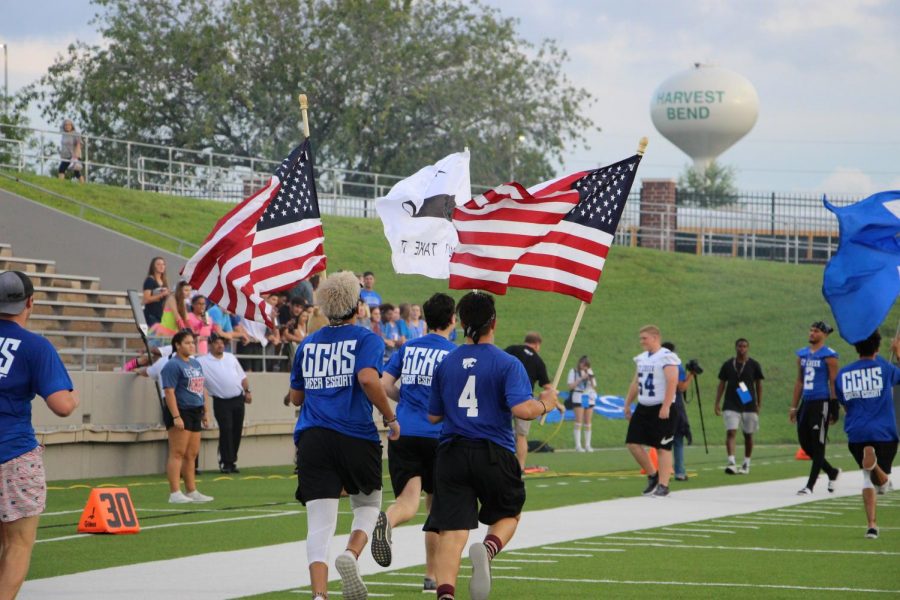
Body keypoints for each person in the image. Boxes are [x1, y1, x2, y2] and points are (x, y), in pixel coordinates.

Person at [425, 292, 557, 600]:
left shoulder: (446, 362)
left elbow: (434, 415)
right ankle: (487, 549)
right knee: (509, 513)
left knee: (453, 530)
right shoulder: (507, 363)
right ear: (493, 322)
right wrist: (545, 404)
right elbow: (522, 409)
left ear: (460, 321)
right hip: (493, 451)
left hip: (452, 452)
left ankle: (445, 593)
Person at [288, 271, 400, 600]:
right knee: (368, 504)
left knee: (319, 524)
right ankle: (350, 554)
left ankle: (319, 596)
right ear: (356, 306)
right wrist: (390, 416)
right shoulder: (367, 339)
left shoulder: (308, 343)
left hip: (312, 436)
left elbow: (296, 397)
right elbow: (367, 378)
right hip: (354, 434)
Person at [0, 271, 79, 598]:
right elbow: (61, 405)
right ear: (30, 302)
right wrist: (73, 397)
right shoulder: (35, 346)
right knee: (17, 543)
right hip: (12, 453)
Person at [374, 293, 457, 591]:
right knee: (436, 508)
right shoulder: (453, 354)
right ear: (452, 319)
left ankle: (387, 519)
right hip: (439, 436)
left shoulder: (408, 347)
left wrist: (404, 399)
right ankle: (432, 575)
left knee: (407, 501)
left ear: (425, 320)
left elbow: (384, 384)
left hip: (404, 431)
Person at [836, 330, 900, 539]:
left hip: (857, 432)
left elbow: (844, 402)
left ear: (856, 348)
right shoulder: (885, 368)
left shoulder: (844, 374)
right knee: (881, 485)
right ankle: (874, 466)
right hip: (884, 432)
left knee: (866, 478)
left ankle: (872, 525)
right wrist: (898, 352)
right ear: (878, 347)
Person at [624, 325, 680, 498]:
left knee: (663, 447)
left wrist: (666, 406)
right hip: (643, 406)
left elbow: (672, 381)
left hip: (661, 406)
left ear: (655, 337)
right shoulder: (642, 359)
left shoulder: (666, 357)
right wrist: (627, 404)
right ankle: (653, 475)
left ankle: (664, 484)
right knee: (633, 443)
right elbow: (635, 383)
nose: (641, 342)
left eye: (644, 338)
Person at [160, 330, 214, 504]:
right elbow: (169, 391)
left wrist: (206, 411)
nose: (191, 346)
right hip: (180, 410)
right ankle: (174, 492)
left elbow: (201, 388)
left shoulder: (195, 363)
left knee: (191, 454)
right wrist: (176, 416)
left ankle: (191, 490)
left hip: (195, 410)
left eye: (193, 342)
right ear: (177, 345)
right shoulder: (172, 365)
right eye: (187, 343)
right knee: (177, 453)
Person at [790, 321, 842, 495]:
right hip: (806, 402)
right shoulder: (802, 354)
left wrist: (834, 405)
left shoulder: (829, 356)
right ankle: (831, 471)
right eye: (811, 329)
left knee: (818, 444)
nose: (812, 333)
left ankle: (810, 486)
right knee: (805, 442)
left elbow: (833, 382)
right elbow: (799, 381)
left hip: (821, 402)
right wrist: (793, 406)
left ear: (824, 335)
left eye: (816, 331)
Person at [198, 333, 251, 474]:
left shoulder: (230, 357)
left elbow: (242, 376)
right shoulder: (203, 361)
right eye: (216, 342)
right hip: (221, 401)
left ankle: (232, 461)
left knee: (236, 430)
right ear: (210, 345)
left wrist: (247, 391)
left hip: (238, 399)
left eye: (222, 342)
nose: (220, 345)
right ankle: (225, 461)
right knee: (226, 429)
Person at [504, 332, 556, 470]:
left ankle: (501, 464)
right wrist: (558, 404)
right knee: (521, 436)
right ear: (537, 344)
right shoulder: (538, 361)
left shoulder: (512, 349)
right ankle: (520, 467)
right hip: (524, 401)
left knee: (501, 431)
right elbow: (547, 387)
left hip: (504, 397)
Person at [714, 338, 765, 475]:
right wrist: (717, 402)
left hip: (749, 403)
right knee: (731, 432)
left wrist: (759, 403)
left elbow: (758, 385)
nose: (742, 349)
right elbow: (721, 384)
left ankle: (746, 463)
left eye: (744, 346)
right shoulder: (728, 364)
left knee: (748, 434)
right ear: (735, 347)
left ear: (748, 348)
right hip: (731, 402)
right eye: (739, 346)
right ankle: (731, 462)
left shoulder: (754, 365)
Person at [662, 342, 693, 481]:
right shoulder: (675, 365)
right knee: (678, 439)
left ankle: (661, 472)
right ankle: (679, 472)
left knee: (662, 441)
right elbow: (681, 387)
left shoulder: (657, 364)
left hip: (659, 403)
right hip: (675, 405)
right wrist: (691, 374)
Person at [567, 355, 597, 452]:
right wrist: (581, 378)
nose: (584, 367)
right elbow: (570, 386)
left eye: (586, 365)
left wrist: (590, 378)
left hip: (588, 396)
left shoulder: (590, 371)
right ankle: (578, 446)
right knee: (579, 420)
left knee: (588, 421)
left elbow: (594, 386)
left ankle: (588, 445)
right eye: (582, 364)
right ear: (579, 364)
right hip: (578, 396)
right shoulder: (573, 371)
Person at [141, 257, 169, 327]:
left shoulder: (164, 281)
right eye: (158, 264)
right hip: (151, 315)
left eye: (163, 264)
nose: (161, 266)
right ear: (153, 267)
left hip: (161, 315)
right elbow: (146, 299)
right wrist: (161, 294)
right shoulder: (150, 280)